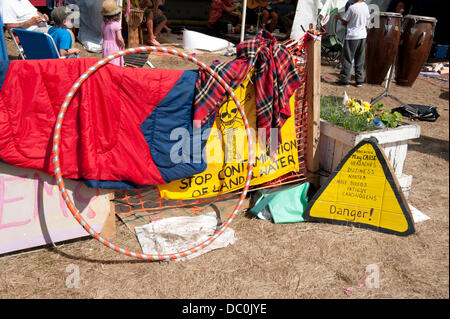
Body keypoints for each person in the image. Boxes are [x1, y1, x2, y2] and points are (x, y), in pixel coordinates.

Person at [335, 0, 370, 87]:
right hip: (362, 35)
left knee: (347, 58)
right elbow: (367, 20)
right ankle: (359, 81)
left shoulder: (352, 7)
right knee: (360, 58)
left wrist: (339, 18)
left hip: (352, 36)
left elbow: (345, 22)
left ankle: (345, 80)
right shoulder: (365, 6)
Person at [101, 0, 125, 66]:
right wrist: (123, 44)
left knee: (106, 62)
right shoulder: (116, 25)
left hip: (105, 45)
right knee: (114, 62)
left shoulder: (103, 24)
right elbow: (119, 38)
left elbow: (102, 35)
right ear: (117, 14)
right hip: (114, 46)